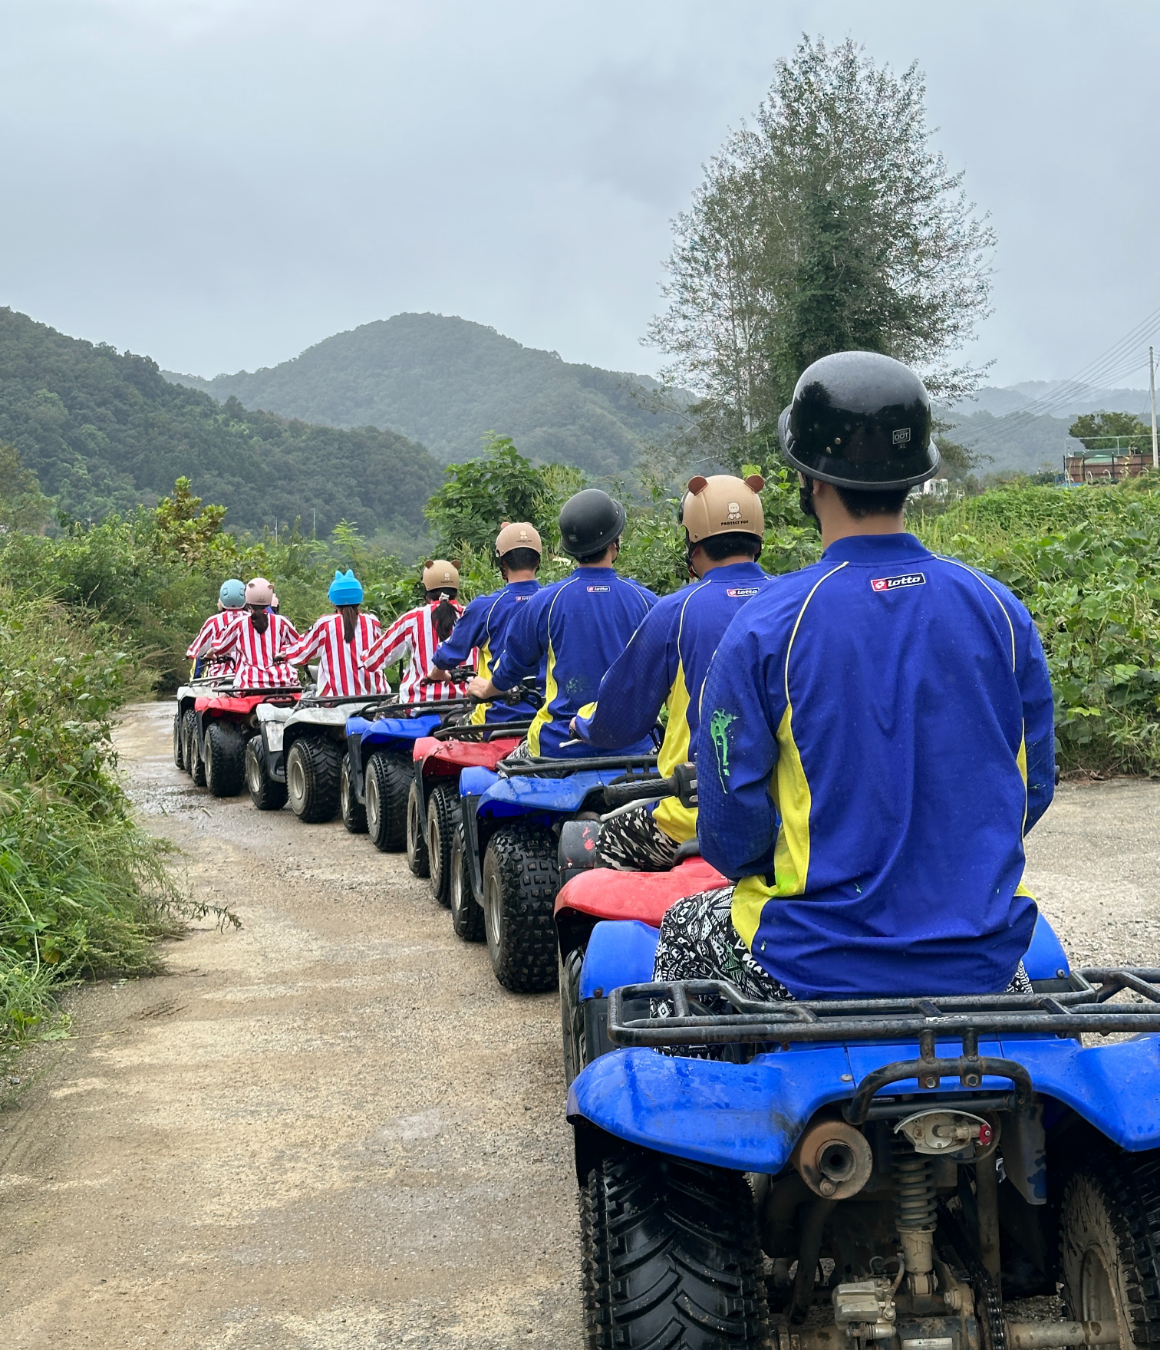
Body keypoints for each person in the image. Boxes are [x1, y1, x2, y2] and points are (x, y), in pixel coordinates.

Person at [656, 351, 1055, 1002]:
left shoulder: (766, 629)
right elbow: (1030, 791)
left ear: (810, 480)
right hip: (978, 962)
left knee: (681, 928)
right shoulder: (1001, 613)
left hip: (806, 962)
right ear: (915, 475)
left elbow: (731, 836)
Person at [570, 474, 774, 870]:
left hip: (695, 817)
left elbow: (621, 718)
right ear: (759, 535)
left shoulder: (674, 612)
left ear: (692, 540)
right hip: (785, 822)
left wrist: (585, 724)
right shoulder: (794, 601)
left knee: (600, 841)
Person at [469, 489, 656, 759]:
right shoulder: (646, 601)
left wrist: (488, 688)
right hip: (634, 747)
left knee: (501, 777)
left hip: (558, 746)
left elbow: (512, 665)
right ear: (614, 544)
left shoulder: (545, 602)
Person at [429, 522, 543, 725]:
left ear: (503, 563)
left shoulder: (485, 607)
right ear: (538, 561)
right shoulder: (554, 601)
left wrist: (438, 673)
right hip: (546, 715)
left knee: (446, 731)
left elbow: (448, 655)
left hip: (497, 718)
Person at [363, 560, 472, 704]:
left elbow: (372, 661)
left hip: (419, 704)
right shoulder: (473, 615)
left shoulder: (412, 619)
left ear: (426, 589)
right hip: (467, 704)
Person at [280, 570, 390, 698]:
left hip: (334, 701)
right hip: (375, 697)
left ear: (332, 600)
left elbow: (302, 652)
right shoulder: (373, 622)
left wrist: (282, 654)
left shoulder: (325, 624)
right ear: (360, 598)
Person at [209, 577, 302, 690]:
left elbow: (221, 648)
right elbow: (299, 646)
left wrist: (210, 653)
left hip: (249, 683)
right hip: (282, 682)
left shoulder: (239, 623)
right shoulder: (282, 621)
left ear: (247, 598)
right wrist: (284, 653)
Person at [187, 578, 246, 680]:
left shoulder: (213, 621)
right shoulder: (253, 619)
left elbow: (196, 650)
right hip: (247, 678)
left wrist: (189, 653)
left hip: (219, 679)